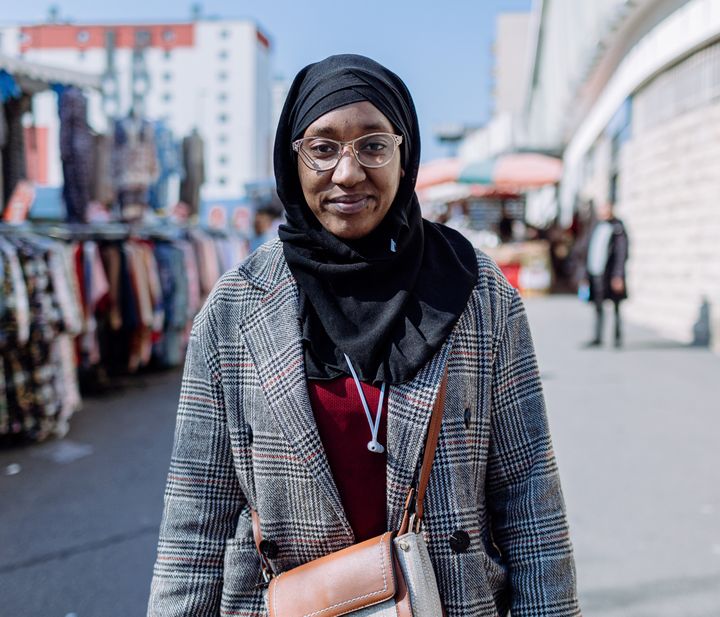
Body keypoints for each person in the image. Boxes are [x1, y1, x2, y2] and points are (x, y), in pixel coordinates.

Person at [147, 54, 580, 617]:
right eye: (322, 148)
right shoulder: (235, 309)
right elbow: (194, 526)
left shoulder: (477, 294)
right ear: (291, 159)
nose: (347, 173)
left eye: (373, 145)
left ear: (405, 155)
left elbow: (529, 498)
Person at [582, 199, 629, 348]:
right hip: (596, 272)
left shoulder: (618, 228)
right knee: (597, 305)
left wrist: (618, 275)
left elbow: (621, 253)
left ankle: (617, 337)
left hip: (611, 273)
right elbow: (587, 250)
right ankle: (597, 336)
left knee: (616, 306)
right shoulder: (595, 226)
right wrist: (585, 274)